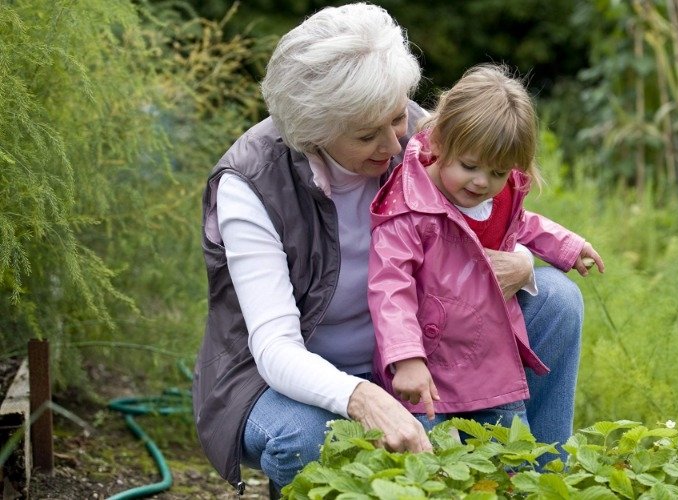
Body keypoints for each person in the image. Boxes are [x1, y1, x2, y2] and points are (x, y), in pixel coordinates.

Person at [192, 3, 587, 494]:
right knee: (311, 437)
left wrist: (523, 262)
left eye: (397, 117)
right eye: (365, 135)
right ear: (313, 132)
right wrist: (361, 397)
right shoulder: (252, 184)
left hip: (413, 353)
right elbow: (275, 349)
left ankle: (539, 482)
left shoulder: (425, 136)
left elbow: (498, 211)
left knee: (554, 298)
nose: (395, 145)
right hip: (281, 379)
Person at [368, 65, 604, 432]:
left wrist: (569, 246)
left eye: (498, 173)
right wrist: (406, 358)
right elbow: (389, 287)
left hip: (490, 365)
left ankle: (543, 481)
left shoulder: (498, 196)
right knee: (428, 472)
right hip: (426, 371)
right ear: (441, 141)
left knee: (510, 464)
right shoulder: (408, 207)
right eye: (470, 166)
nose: (482, 182)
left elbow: (523, 223)